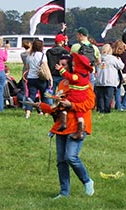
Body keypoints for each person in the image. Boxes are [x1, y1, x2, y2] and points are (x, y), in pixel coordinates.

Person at [33, 53, 96, 198]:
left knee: (71, 157)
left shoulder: (83, 83)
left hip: (77, 126)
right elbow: (57, 106)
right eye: (60, 65)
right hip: (62, 126)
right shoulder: (62, 83)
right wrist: (43, 106)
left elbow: (90, 104)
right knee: (61, 160)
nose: (61, 67)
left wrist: (72, 105)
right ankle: (64, 192)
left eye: (64, 65)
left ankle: (87, 181)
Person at [94, 43, 124, 113]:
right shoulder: (113, 59)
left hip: (100, 81)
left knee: (100, 96)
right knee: (108, 97)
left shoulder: (99, 58)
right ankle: (107, 110)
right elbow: (121, 66)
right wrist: (119, 60)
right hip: (110, 81)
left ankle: (100, 109)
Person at [25, 39, 51, 117]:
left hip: (31, 78)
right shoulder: (42, 55)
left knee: (31, 96)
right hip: (41, 78)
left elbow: (27, 67)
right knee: (44, 96)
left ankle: (28, 112)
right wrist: (50, 78)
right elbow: (46, 68)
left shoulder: (29, 56)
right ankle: (45, 112)